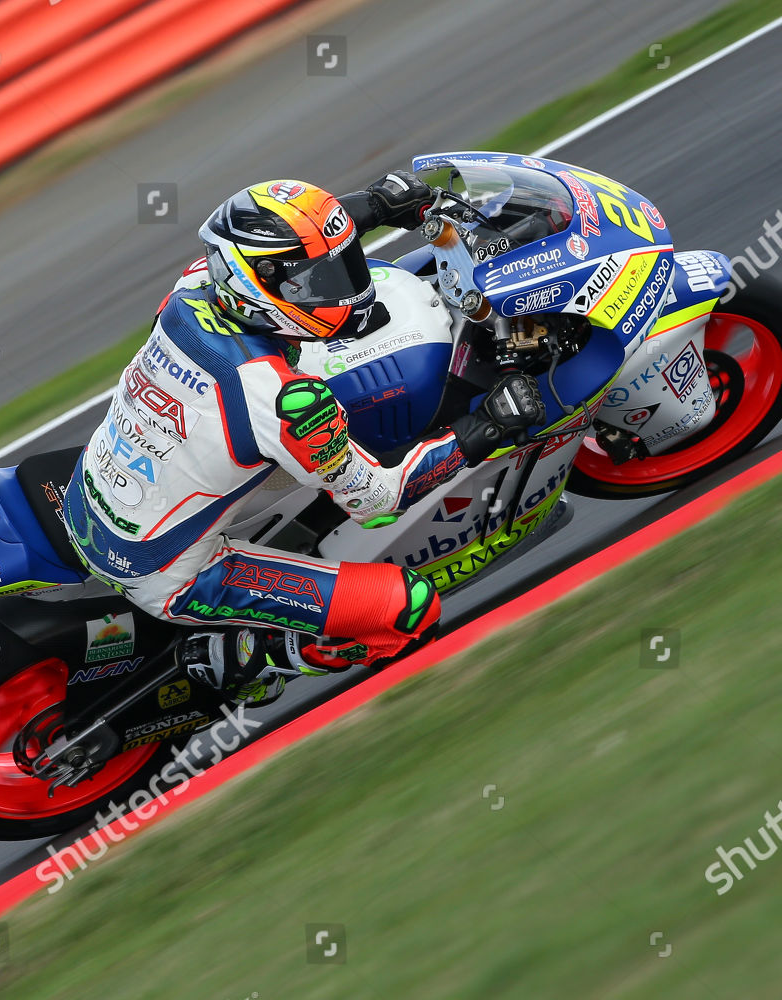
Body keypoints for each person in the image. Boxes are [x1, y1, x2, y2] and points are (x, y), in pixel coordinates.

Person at [63, 171, 544, 704]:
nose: (342, 287)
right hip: (170, 572)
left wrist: (379, 204)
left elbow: (291, 250)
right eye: (317, 283)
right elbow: (379, 502)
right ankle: (260, 655)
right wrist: (486, 429)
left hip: (90, 495)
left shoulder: (194, 287)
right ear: (258, 291)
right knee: (411, 609)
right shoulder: (273, 397)